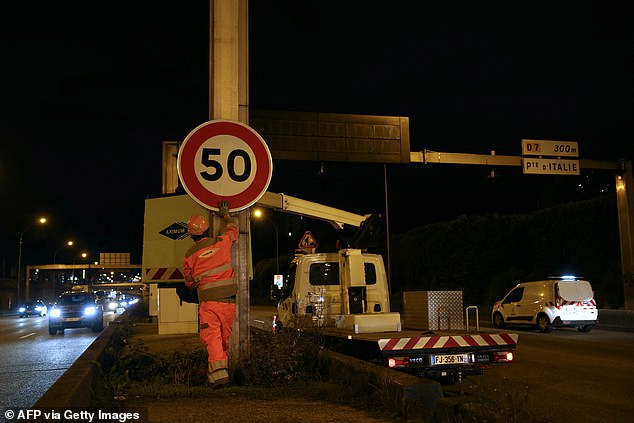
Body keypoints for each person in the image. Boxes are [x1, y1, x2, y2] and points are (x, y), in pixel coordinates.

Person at [183, 200, 238, 386]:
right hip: (229, 302)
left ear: (191, 236)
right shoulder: (222, 243)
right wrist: (226, 215)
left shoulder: (189, 255)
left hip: (208, 304)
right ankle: (219, 374)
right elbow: (232, 230)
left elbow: (189, 281)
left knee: (212, 338)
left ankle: (219, 378)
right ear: (207, 231)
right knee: (223, 340)